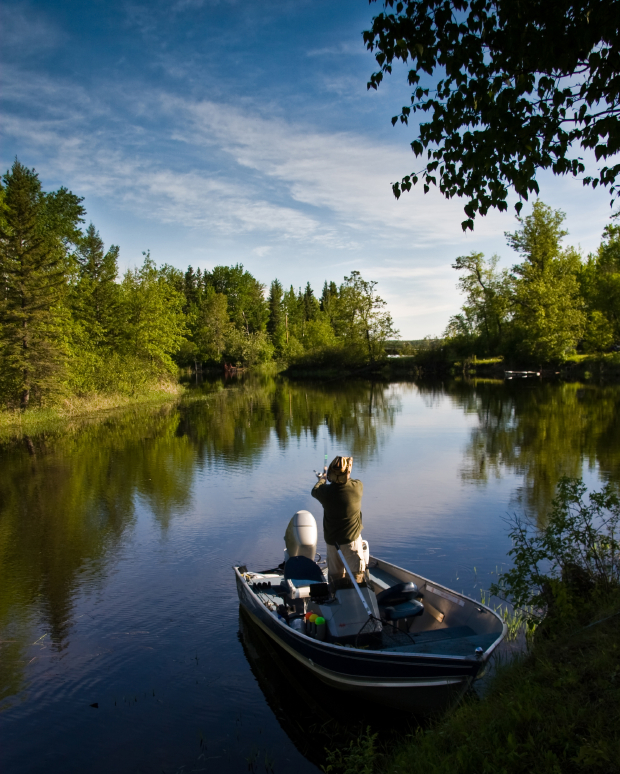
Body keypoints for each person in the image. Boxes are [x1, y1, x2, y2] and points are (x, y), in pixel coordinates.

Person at [311, 455, 365, 586]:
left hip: (332, 544)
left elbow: (315, 490)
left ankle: (338, 602)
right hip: (351, 543)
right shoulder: (357, 487)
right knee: (357, 580)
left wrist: (323, 479)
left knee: (336, 581)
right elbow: (348, 480)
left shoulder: (325, 493)